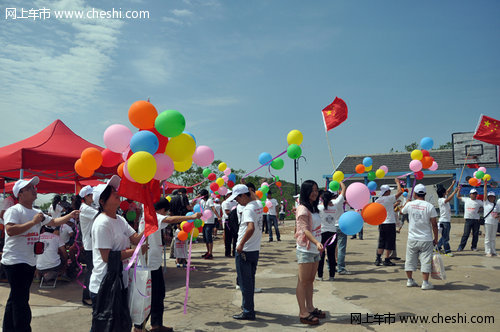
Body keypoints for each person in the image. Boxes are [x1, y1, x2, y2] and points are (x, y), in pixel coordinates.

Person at [1, 177, 79, 332]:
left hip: (30, 261)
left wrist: (70, 216)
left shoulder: (37, 212)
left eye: (34, 187)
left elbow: (55, 222)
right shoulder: (14, 210)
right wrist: (32, 223)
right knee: (21, 300)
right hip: (15, 261)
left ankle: (8, 327)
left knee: (16, 298)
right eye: (30, 188)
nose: (34, 190)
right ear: (20, 193)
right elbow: (10, 230)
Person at [89, 176, 147, 332]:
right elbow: (107, 257)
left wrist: (150, 227)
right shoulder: (102, 223)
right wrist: (135, 251)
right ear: (102, 201)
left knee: (120, 325)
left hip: (120, 282)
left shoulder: (120, 219)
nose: (116, 193)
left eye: (116, 190)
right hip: (105, 285)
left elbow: (135, 238)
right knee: (105, 326)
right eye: (112, 191)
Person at [135, 198, 201, 332]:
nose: (167, 213)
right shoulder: (153, 216)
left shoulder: (147, 214)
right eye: (166, 211)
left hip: (153, 263)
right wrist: (192, 216)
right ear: (161, 210)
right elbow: (170, 220)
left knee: (159, 294)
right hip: (149, 265)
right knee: (151, 297)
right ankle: (139, 327)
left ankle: (156, 325)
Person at [229, 184, 263, 321]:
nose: (237, 201)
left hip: (245, 250)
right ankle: (248, 306)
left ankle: (248, 311)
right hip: (254, 249)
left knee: (245, 283)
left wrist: (241, 244)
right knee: (250, 280)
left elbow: (250, 228)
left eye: (238, 198)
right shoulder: (258, 204)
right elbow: (255, 198)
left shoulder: (248, 209)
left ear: (244, 196)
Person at [295, 180, 325, 325]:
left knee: (310, 280)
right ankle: (303, 312)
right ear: (305, 192)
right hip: (306, 249)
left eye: (316, 190)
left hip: (315, 249)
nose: (315, 193)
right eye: (312, 190)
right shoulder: (302, 209)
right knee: (303, 281)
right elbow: (305, 230)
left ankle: (310, 307)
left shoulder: (314, 208)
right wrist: (316, 242)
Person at [401, 184, 438, 290]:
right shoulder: (429, 206)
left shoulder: (410, 204)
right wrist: (436, 238)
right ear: (425, 194)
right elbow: (434, 224)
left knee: (410, 260)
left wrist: (407, 202)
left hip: (412, 238)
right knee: (425, 261)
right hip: (426, 238)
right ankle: (425, 283)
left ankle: (409, 280)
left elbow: (401, 211)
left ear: (415, 194)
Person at [317, 182, 345, 281]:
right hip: (333, 233)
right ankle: (331, 276)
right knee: (331, 255)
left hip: (322, 234)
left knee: (321, 255)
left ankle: (320, 276)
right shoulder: (335, 205)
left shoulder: (319, 207)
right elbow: (343, 192)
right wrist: (340, 182)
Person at [374, 179, 403, 266]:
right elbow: (400, 192)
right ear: (387, 191)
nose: (390, 192)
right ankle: (386, 259)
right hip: (389, 222)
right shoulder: (389, 198)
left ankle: (378, 259)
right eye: (389, 190)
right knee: (389, 242)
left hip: (382, 223)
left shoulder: (377, 200)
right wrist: (398, 182)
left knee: (381, 241)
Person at [78, 185, 97, 307]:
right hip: (90, 245)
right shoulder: (85, 209)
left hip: (92, 243)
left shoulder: (89, 207)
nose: (93, 197)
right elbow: (101, 214)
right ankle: (86, 296)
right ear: (86, 196)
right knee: (91, 271)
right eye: (91, 195)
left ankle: (90, 295)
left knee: (93, 270)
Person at [436, 181, 459, 256]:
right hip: (444, 221)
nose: (446, 192)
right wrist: (454, 192)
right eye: (445, 192)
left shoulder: (443, 196)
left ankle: (437, 247)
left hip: (446, 221)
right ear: (443, 193)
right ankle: (447, 251)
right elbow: (448, 199)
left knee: (445, 236)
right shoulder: (441, 200)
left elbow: (448, 191)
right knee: (446, 237)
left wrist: (452, 184)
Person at [482, 182, 499, 257]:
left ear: (495, 197)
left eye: (492, 196)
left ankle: (493, 251)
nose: (491, 198)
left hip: (495, 222)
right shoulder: (486, 203)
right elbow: (485, 193)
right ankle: (488, 251)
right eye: (490, 196)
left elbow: (498, 213)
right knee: (488, 237)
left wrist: (497, 216)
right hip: (488, 222)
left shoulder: (496, 205)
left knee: (493, 237)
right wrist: (485, 185)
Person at [199, 189, 216, 259]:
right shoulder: (202, 201)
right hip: (204, 221)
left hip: (209, 221)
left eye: (201, 195)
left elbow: (213, 208)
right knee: (205, 238)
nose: (200, 196)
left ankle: (210, 253)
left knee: (209, 237)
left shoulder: (210, 200)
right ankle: (208, 251)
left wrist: (218, 217)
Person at [222, 191, 238, 257]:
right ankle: (227, 253)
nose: (231, 195)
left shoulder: (235, 202)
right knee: (228, 238)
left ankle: (235, 252)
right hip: (228, 221)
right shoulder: (226, 202)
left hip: (235, 220)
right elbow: (227, 212)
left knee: (235, 237)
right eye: (229, 194)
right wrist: (235, 212)